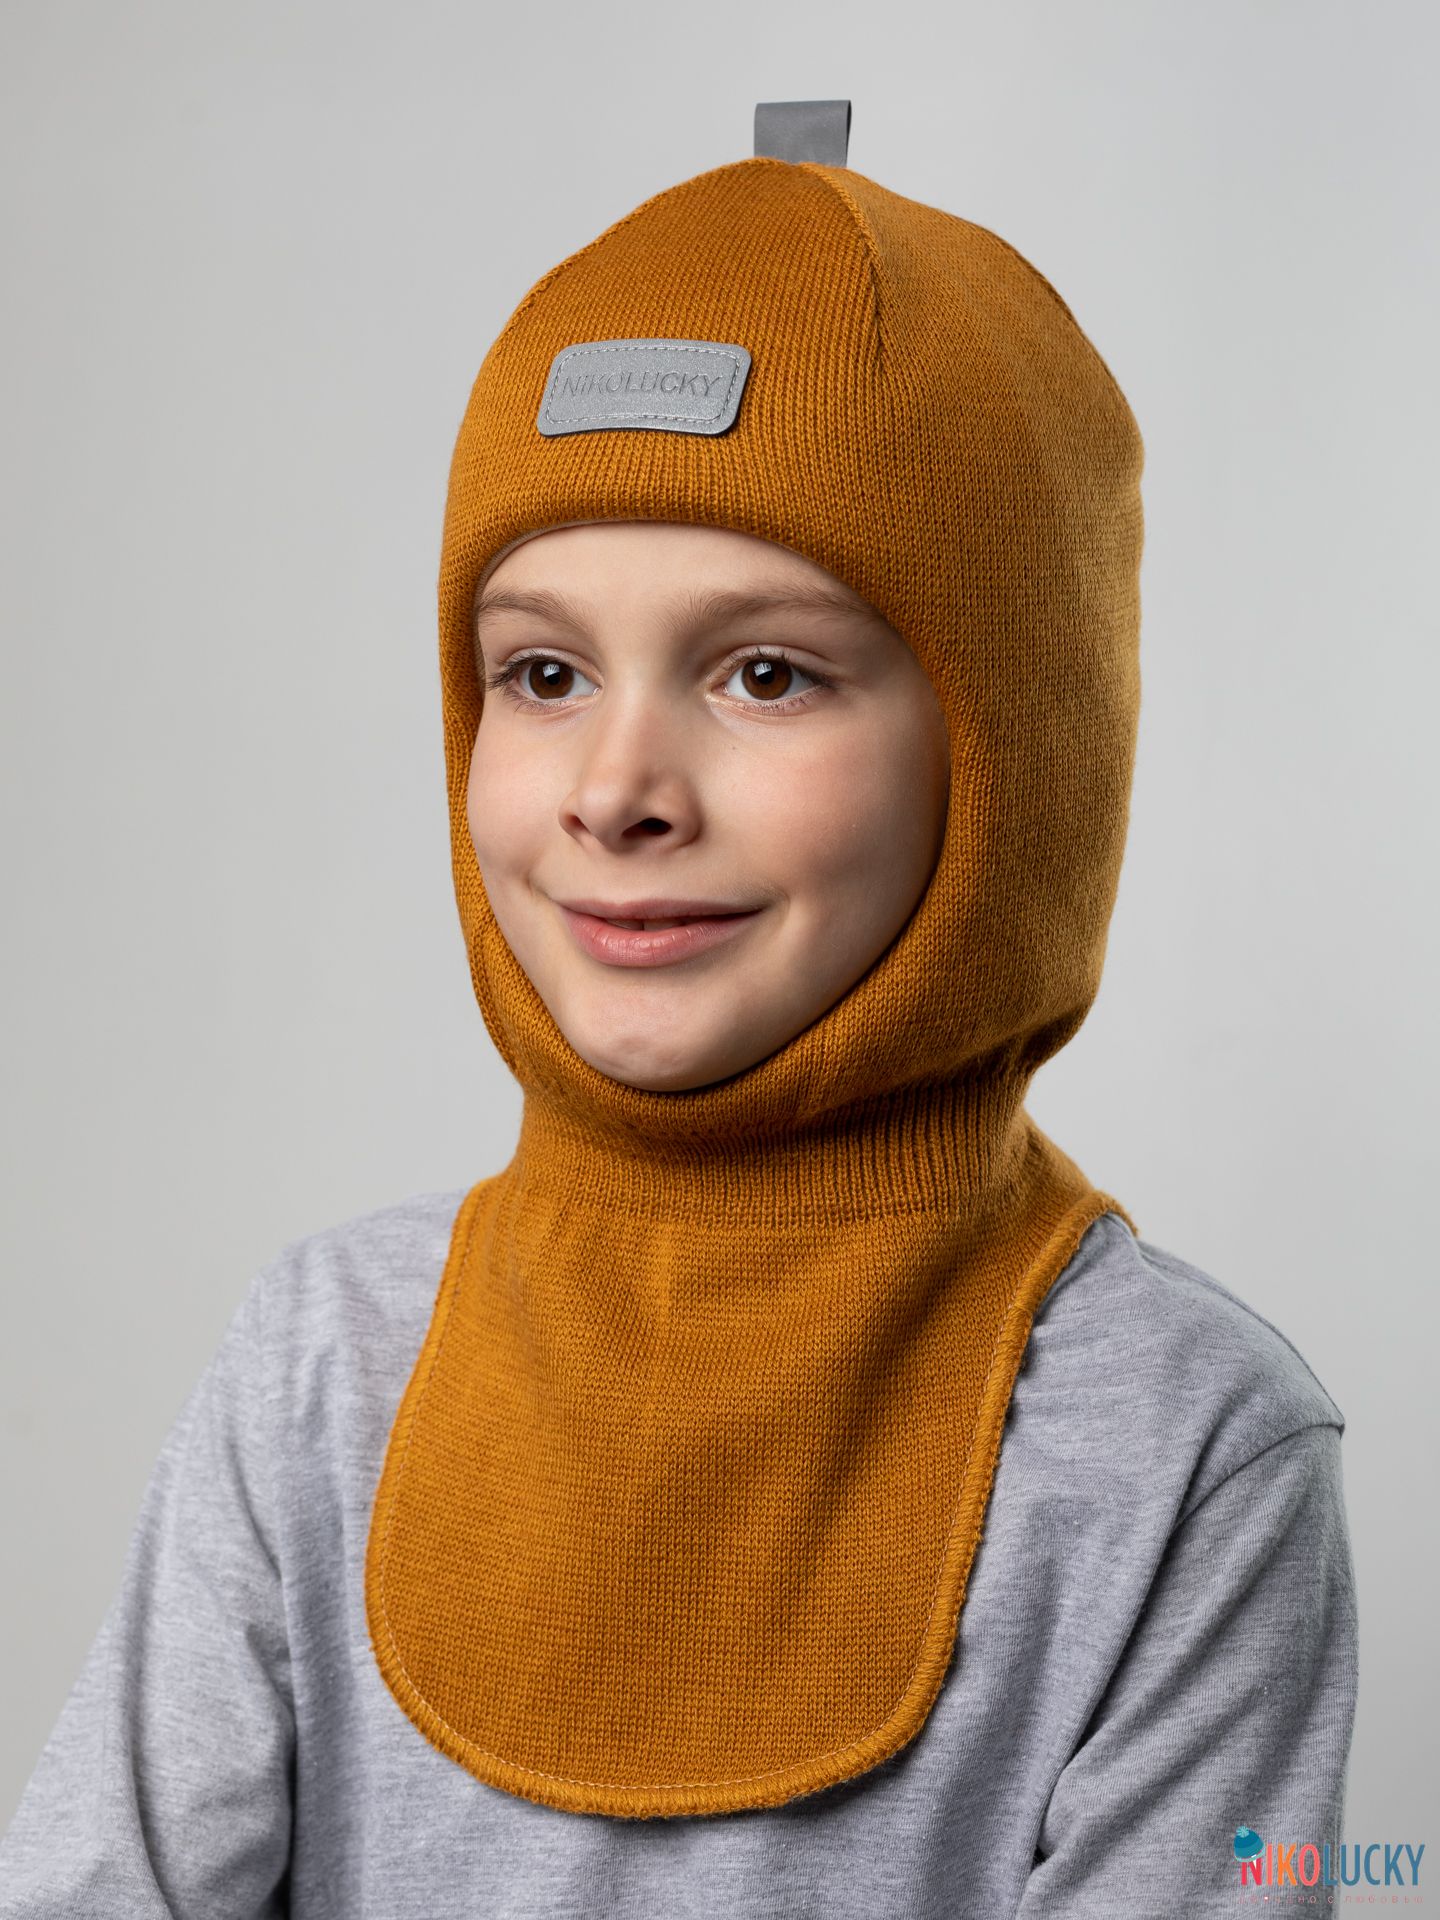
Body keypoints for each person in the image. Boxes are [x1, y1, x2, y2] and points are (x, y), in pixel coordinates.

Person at [0, 103, 1357, 1917]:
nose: (615, 789)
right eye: (542, 671)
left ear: (1019, 752)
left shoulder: (1186, 1445)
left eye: (767, 672)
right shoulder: (325, 1362)